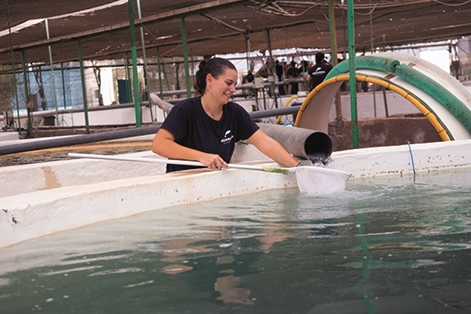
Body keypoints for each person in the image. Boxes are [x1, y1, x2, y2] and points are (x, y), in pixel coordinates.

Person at [152, 57, 300, 173]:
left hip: (218, 186)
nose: (233, 89)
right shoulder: (185, 111)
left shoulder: (235, 113)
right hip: (183, 188)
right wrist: (200, 156)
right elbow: (159, 144)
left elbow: (266, 142)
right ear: (209, 80)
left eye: (235, 84)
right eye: (229, 83)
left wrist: (297, 167)